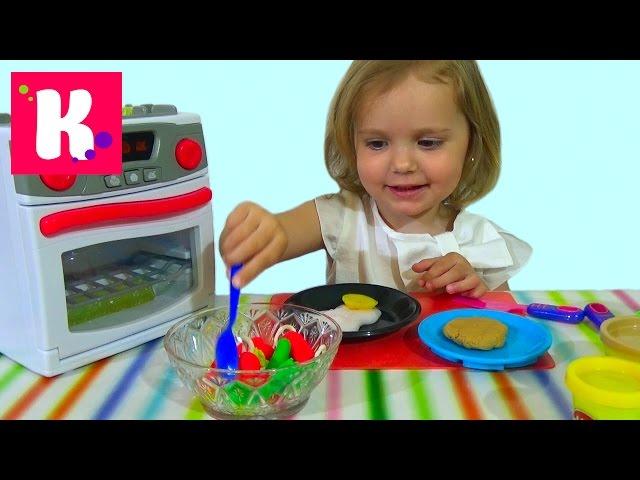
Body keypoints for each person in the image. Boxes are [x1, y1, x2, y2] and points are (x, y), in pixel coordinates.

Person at [219, 60, 531, 298]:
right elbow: (282, 233)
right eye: (377, 144)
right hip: (355, 381)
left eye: (428, 143)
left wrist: (473, 287)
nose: (403, 164)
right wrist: (256, 234)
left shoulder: (477, 239)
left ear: (471, 144)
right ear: (350, 143)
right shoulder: (344, 217)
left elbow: (506, 326)